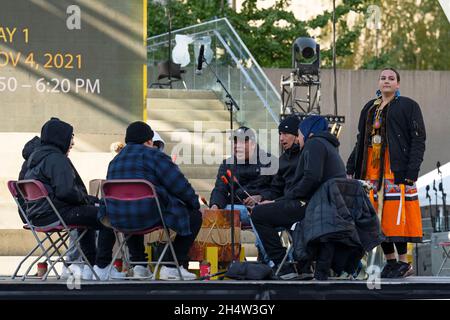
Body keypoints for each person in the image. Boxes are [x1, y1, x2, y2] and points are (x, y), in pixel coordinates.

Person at [347, 68, 426, 278]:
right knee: (375, 220)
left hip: (395, 170)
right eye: (383, 78)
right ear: (379, 82)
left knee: (395, 217)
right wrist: (350, 168)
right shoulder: (369, 108)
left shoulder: (408, 106)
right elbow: (360, 140)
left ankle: (403, 263)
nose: (387, 81)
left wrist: (412, 171)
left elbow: (418, 139)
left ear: (398, 84)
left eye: (391, 78)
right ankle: (391, 262)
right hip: (370, 171)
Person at [24, 118, 122, 280]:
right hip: (56, 213)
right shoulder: (56, 159)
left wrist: (87, 201)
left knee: (88, 217)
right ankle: (102, 266)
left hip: (40, 214)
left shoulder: (35, 160)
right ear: (60, 138)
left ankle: (91, 266)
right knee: (107, 215)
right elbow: (66, 192)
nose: (73, 143)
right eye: (70, 138)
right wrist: (88, 200)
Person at [102, 121, 201, 280]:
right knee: (195, 216)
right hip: (149, 215)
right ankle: (171, 266)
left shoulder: (115, 161)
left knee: (131, 206)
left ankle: (139, 265)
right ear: (149, 141)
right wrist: (194, 203)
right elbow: (179, 185)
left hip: (118, 216)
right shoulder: (155, 155)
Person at [252, 115, 347, 280]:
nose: (299, 137)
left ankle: (284, 265)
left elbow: (311, 179)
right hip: (321, 206)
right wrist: (269, 199)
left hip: (311, 205)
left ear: (307, 133)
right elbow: (281, 187)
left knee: (258, 214)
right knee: (262, 211)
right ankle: (295, 264)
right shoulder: (326, 145)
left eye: (299, 133)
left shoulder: (314, 144)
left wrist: (277, 201)